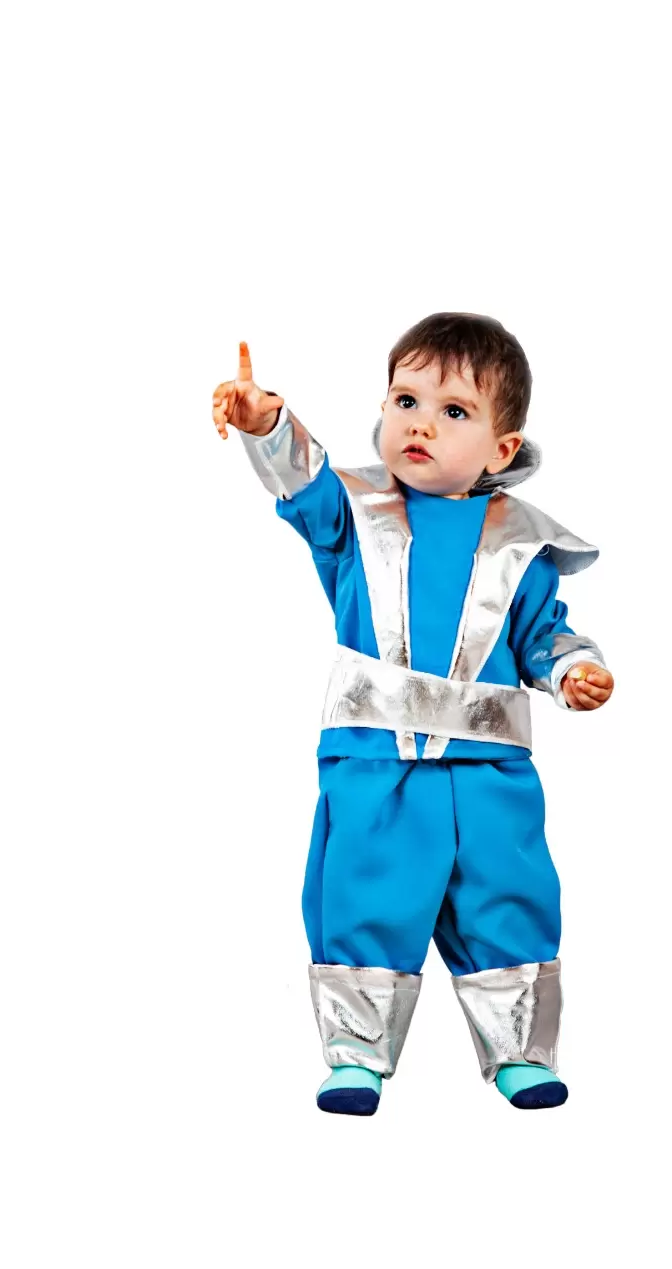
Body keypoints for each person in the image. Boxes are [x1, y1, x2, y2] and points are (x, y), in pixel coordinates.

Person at [211, 313, 615, 1114]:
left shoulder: (520, 543)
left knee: (506, 891)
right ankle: (356, 1053)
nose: (421, 423)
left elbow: (542, 631)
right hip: (375, 754)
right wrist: (267, 424)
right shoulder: (354, 514)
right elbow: (302, 481)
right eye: (406, 401)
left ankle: (519, 1049)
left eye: (454, 411)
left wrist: (574, 670)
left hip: (488, 765)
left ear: (502, 448)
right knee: (363, 890)